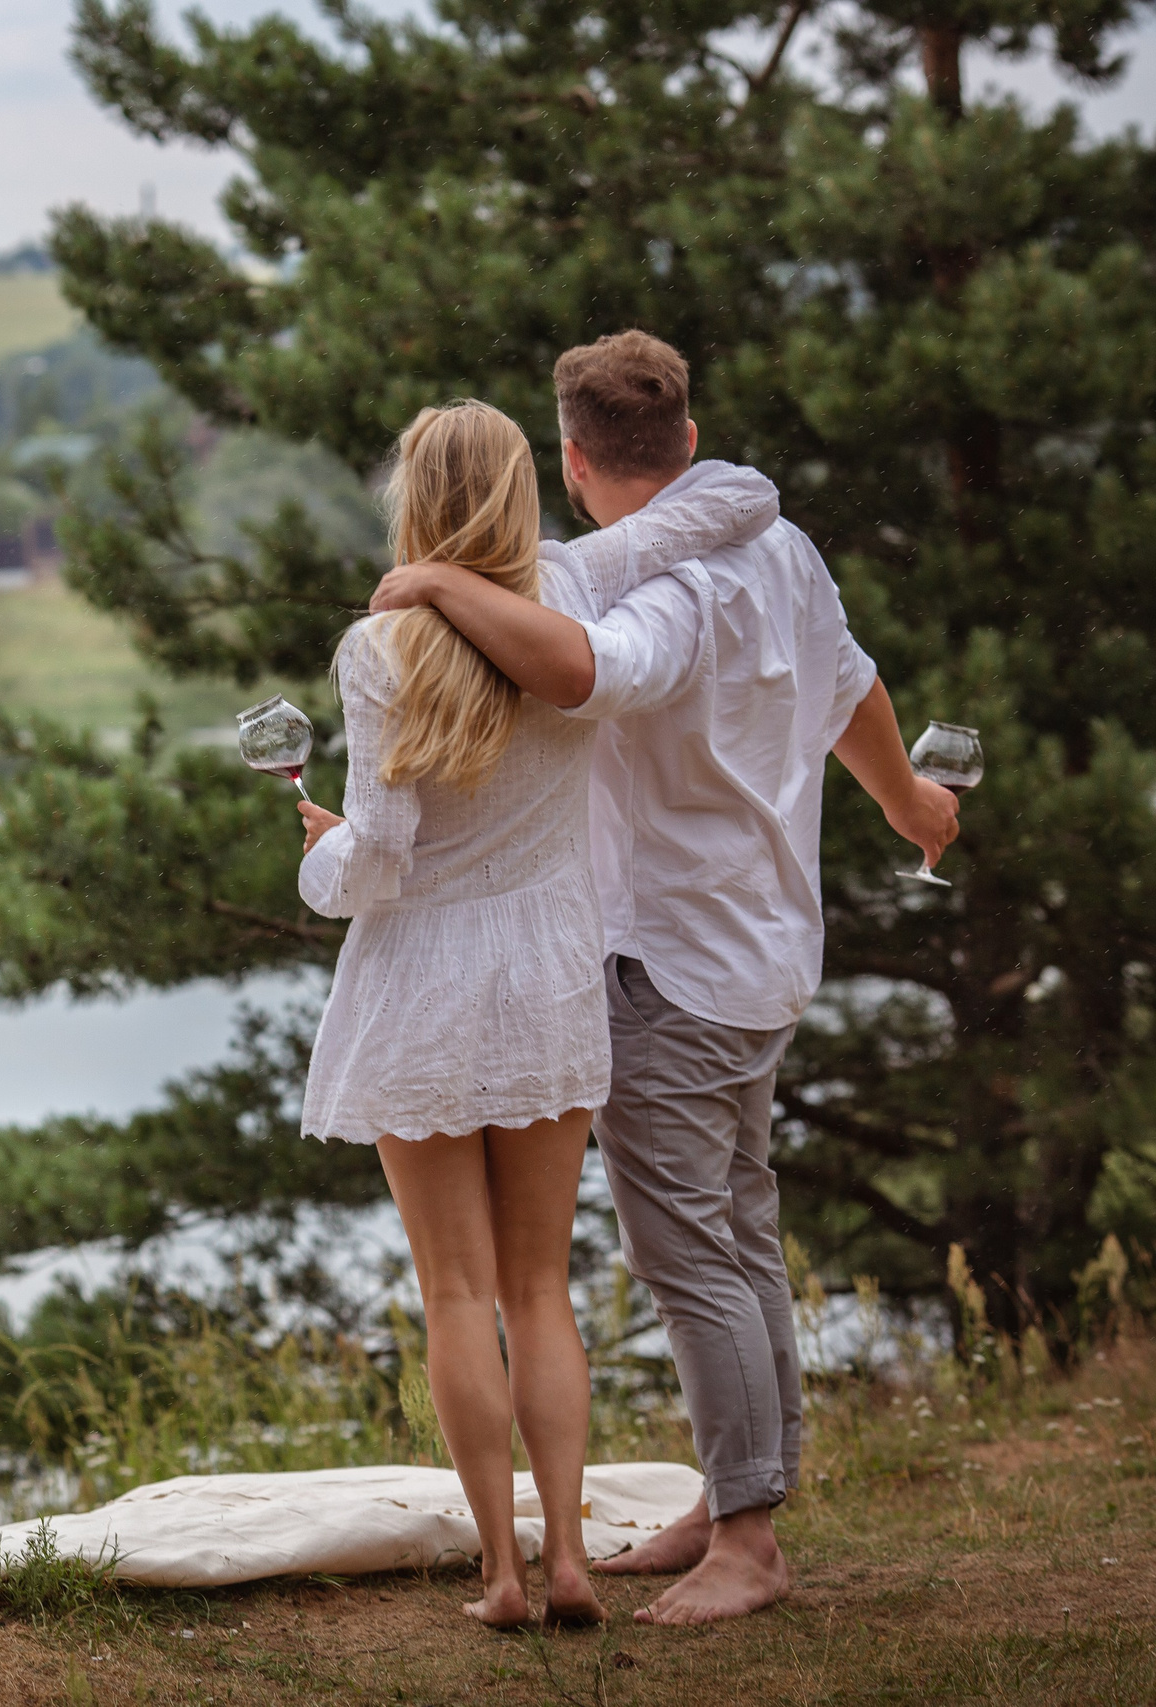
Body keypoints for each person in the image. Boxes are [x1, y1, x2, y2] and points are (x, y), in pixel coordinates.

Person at [369, 331, 958, 1625]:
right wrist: (909, 800)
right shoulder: (784, 548)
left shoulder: (655, 600)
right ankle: (737, 1487)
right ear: (685, 441)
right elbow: (853, 684)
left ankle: (747, 1537)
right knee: (741, 1228)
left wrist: (435, 585)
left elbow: (589, 670)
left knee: (690, 1248)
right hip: (766, 949)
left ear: (575, 465)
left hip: (671, 967)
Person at [293, 399, 778, 1628]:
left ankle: (500, 1577)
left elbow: (382, 858)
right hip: (548, 979)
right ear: (525, 488)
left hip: (420, 982)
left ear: (411, 503)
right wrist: (469, 580)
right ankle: (568, 1559)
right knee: (539, 1288)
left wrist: (317, 855)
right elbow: (743, 497)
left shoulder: (378, 650)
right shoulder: (572, 587)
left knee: (453, 1293)